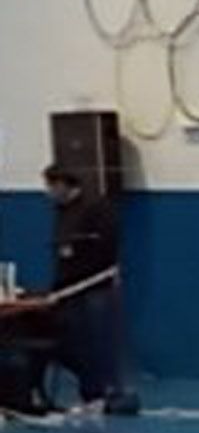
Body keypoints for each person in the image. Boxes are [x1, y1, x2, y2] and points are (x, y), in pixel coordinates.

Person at [42, 166, 119, 409]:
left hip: (93, 286)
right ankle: (90, 389)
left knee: (95, 342)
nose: (49, 192)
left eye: (52, 186)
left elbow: (106, 246)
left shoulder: (97, 209)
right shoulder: (61, 212)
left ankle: (101, 392)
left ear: (64, 184)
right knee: (69, 341)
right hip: (68, 288)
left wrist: (79, 256)